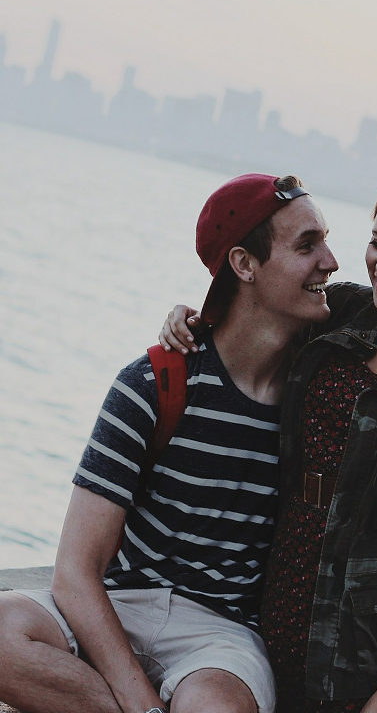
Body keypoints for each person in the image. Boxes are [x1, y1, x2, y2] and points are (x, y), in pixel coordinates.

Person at [158, 142, 377, 713]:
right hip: (274, 613)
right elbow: (250, 320)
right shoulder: (339, 312)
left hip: (366, 653)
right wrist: (191, 317)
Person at [0, 173, 339, 713]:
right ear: (244, 265)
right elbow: (75, 568)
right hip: (123, 602)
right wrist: (143, 705)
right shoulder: (154, 382)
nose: (331, 260)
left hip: (221, 635)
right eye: (307, 245)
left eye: (325, 240)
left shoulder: (320, 394)